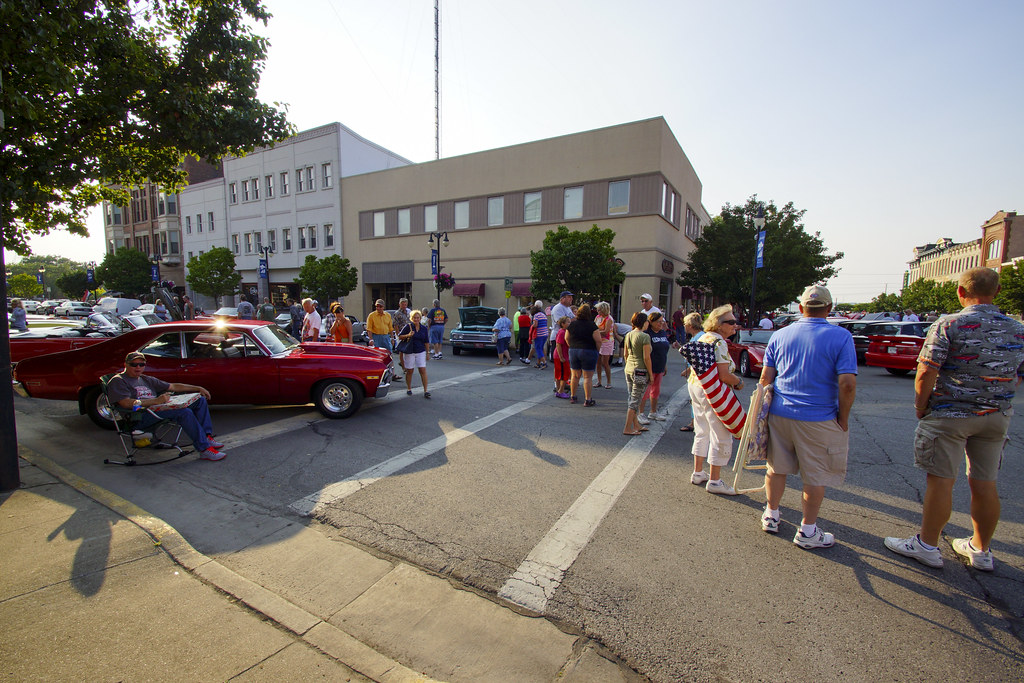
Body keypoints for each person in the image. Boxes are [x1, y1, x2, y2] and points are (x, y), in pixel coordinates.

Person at [884, 268, 1024, 571]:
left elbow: (927, 370)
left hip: (951, 413)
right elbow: (1018, 374)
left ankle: (927, 545)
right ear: (998, 292)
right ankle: (981, 549)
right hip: (996, 416)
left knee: (940, 481)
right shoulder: (1018, 328)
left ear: (960, 292)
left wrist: (921, 405)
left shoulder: (950, 324)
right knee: (986, 483)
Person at [759, 285, 857, 548]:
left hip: (780, 411)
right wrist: (843, 418)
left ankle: (772, 513)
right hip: (818, 416)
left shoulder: (780, 335)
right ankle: (807, 530)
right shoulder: (841, 336)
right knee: (815, 476)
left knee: (776, 468)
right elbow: (847, 383)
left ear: (801, 308)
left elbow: (766, 378)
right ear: (829, 308)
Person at [107, 351, 226, 461]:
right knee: (183, 412)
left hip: (157, 410)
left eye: (141, 364)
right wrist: (155, 401)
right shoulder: (118, 381)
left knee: (200, 400)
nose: (138, 367)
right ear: (125, 364)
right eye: (134, 364)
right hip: (139, 416)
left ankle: (206, 437)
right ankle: (204, 449)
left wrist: (198, 388)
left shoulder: (145, 379)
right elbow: (125, 403)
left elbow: (173, 386)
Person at [688, 305, 745, 495]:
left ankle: (698, 472)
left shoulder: (703, 337)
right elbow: (723, 374)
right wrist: (738, 382)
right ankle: (715, 480)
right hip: (713, 390)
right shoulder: (719, 343)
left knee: (702, 429)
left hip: (696, 385)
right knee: (721, 433)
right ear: (720, 325)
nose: (735, 326)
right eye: (731, 322)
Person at [637, 311, 673, 423]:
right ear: (651, 322)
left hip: (660, 366)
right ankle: (640, 413)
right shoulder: (647, 334)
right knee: (645, 391)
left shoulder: (662, 333)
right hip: (649, 366)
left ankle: (653, 412)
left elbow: (663, 350)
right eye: (658, 321)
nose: (661, 323)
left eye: (662, 321)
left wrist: (665, 365)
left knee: (656, 390)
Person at [622, 312, 652, 436]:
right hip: (640, 370)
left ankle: (636, 425)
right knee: (635, 400)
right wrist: (651, 374)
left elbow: (625, 354)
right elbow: (646, 357)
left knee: (632, 397)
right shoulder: (644, 337)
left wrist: (629, 364)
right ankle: (628, 427)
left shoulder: (629, 334)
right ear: (644, 322)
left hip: (629, 368)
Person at [567, 302, 602, 406]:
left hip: (574, 350)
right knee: (587, 377)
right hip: (588, 350)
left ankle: (573, 396)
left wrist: (571, 346)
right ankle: (587, 399)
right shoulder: (592, 325)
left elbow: (566, 338)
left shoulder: (572, 324)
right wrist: (597, 350)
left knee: (575, 375)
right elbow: (598, 340)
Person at [678, 312, 703, 432]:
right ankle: (695, 421)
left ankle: (695, 422)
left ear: (690, 325)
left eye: (685, 324)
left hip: (696, 374)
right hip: (694, 373)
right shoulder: (697, 337)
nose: (684, 326)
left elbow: (697, 360)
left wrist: (688, 370)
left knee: (695, 399)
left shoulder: (699, 338)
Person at [397, 310, 431, 398]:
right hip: (410, 351)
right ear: (412, 318)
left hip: (420, 351)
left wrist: (427, 352)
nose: (416, 319)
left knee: (422, 370)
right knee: (410, 371)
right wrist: (408, 335)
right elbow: (400, 336)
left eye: (418, 318)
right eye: (414, 318)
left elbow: (426, 341)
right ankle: (409, 388)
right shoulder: (408, 327)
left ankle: (426, 390)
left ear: (420, 318)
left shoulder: (423, 328)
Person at [593, 302, 615, 389]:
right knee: (598, 362)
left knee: (605, 362)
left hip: (607, 341)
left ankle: (609, 381)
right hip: (598, 341)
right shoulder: (597, 318)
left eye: (599, 310)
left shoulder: (609, 319)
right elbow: (594, 326)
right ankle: (599, 380)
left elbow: (606, 331)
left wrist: (596, 332)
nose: (598, 312)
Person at [552, 316, 571, 398]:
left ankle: (559, 389)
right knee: (564, 374)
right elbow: (558, 344)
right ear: (563, 324)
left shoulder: (564, 331)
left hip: (561, 355)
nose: (570, 323)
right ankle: (560, 391)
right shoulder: (562, 332)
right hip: (561, 356)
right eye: (568, 322)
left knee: (559, 373)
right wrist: (561, 356)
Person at [530, 304, 549, 370]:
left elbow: (535, 325)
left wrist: (532, 325)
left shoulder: (536, 316)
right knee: (541, 348)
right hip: (545, 333)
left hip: (539, 334)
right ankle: (538, 363)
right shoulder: (543, 315)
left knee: (538, 349)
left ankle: (544, 363)